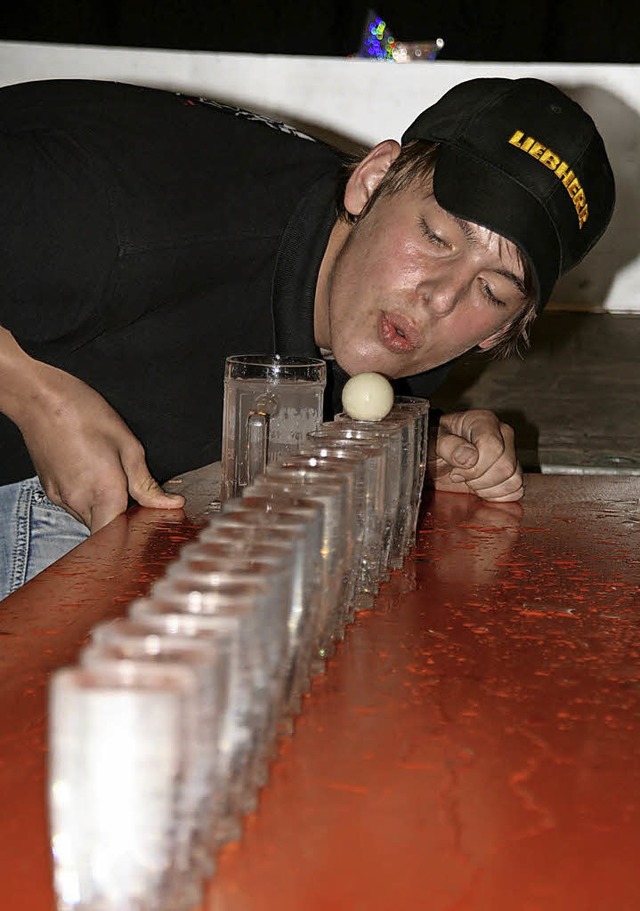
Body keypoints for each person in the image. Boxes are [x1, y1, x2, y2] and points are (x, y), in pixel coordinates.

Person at [0, 76, 615, 598]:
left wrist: (415, 440)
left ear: (505, 327)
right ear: (371, 183)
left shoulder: (386, 314)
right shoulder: (121, 221)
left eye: (492, 292)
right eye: (436, 237)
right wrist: (35, 397)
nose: (442, 296)